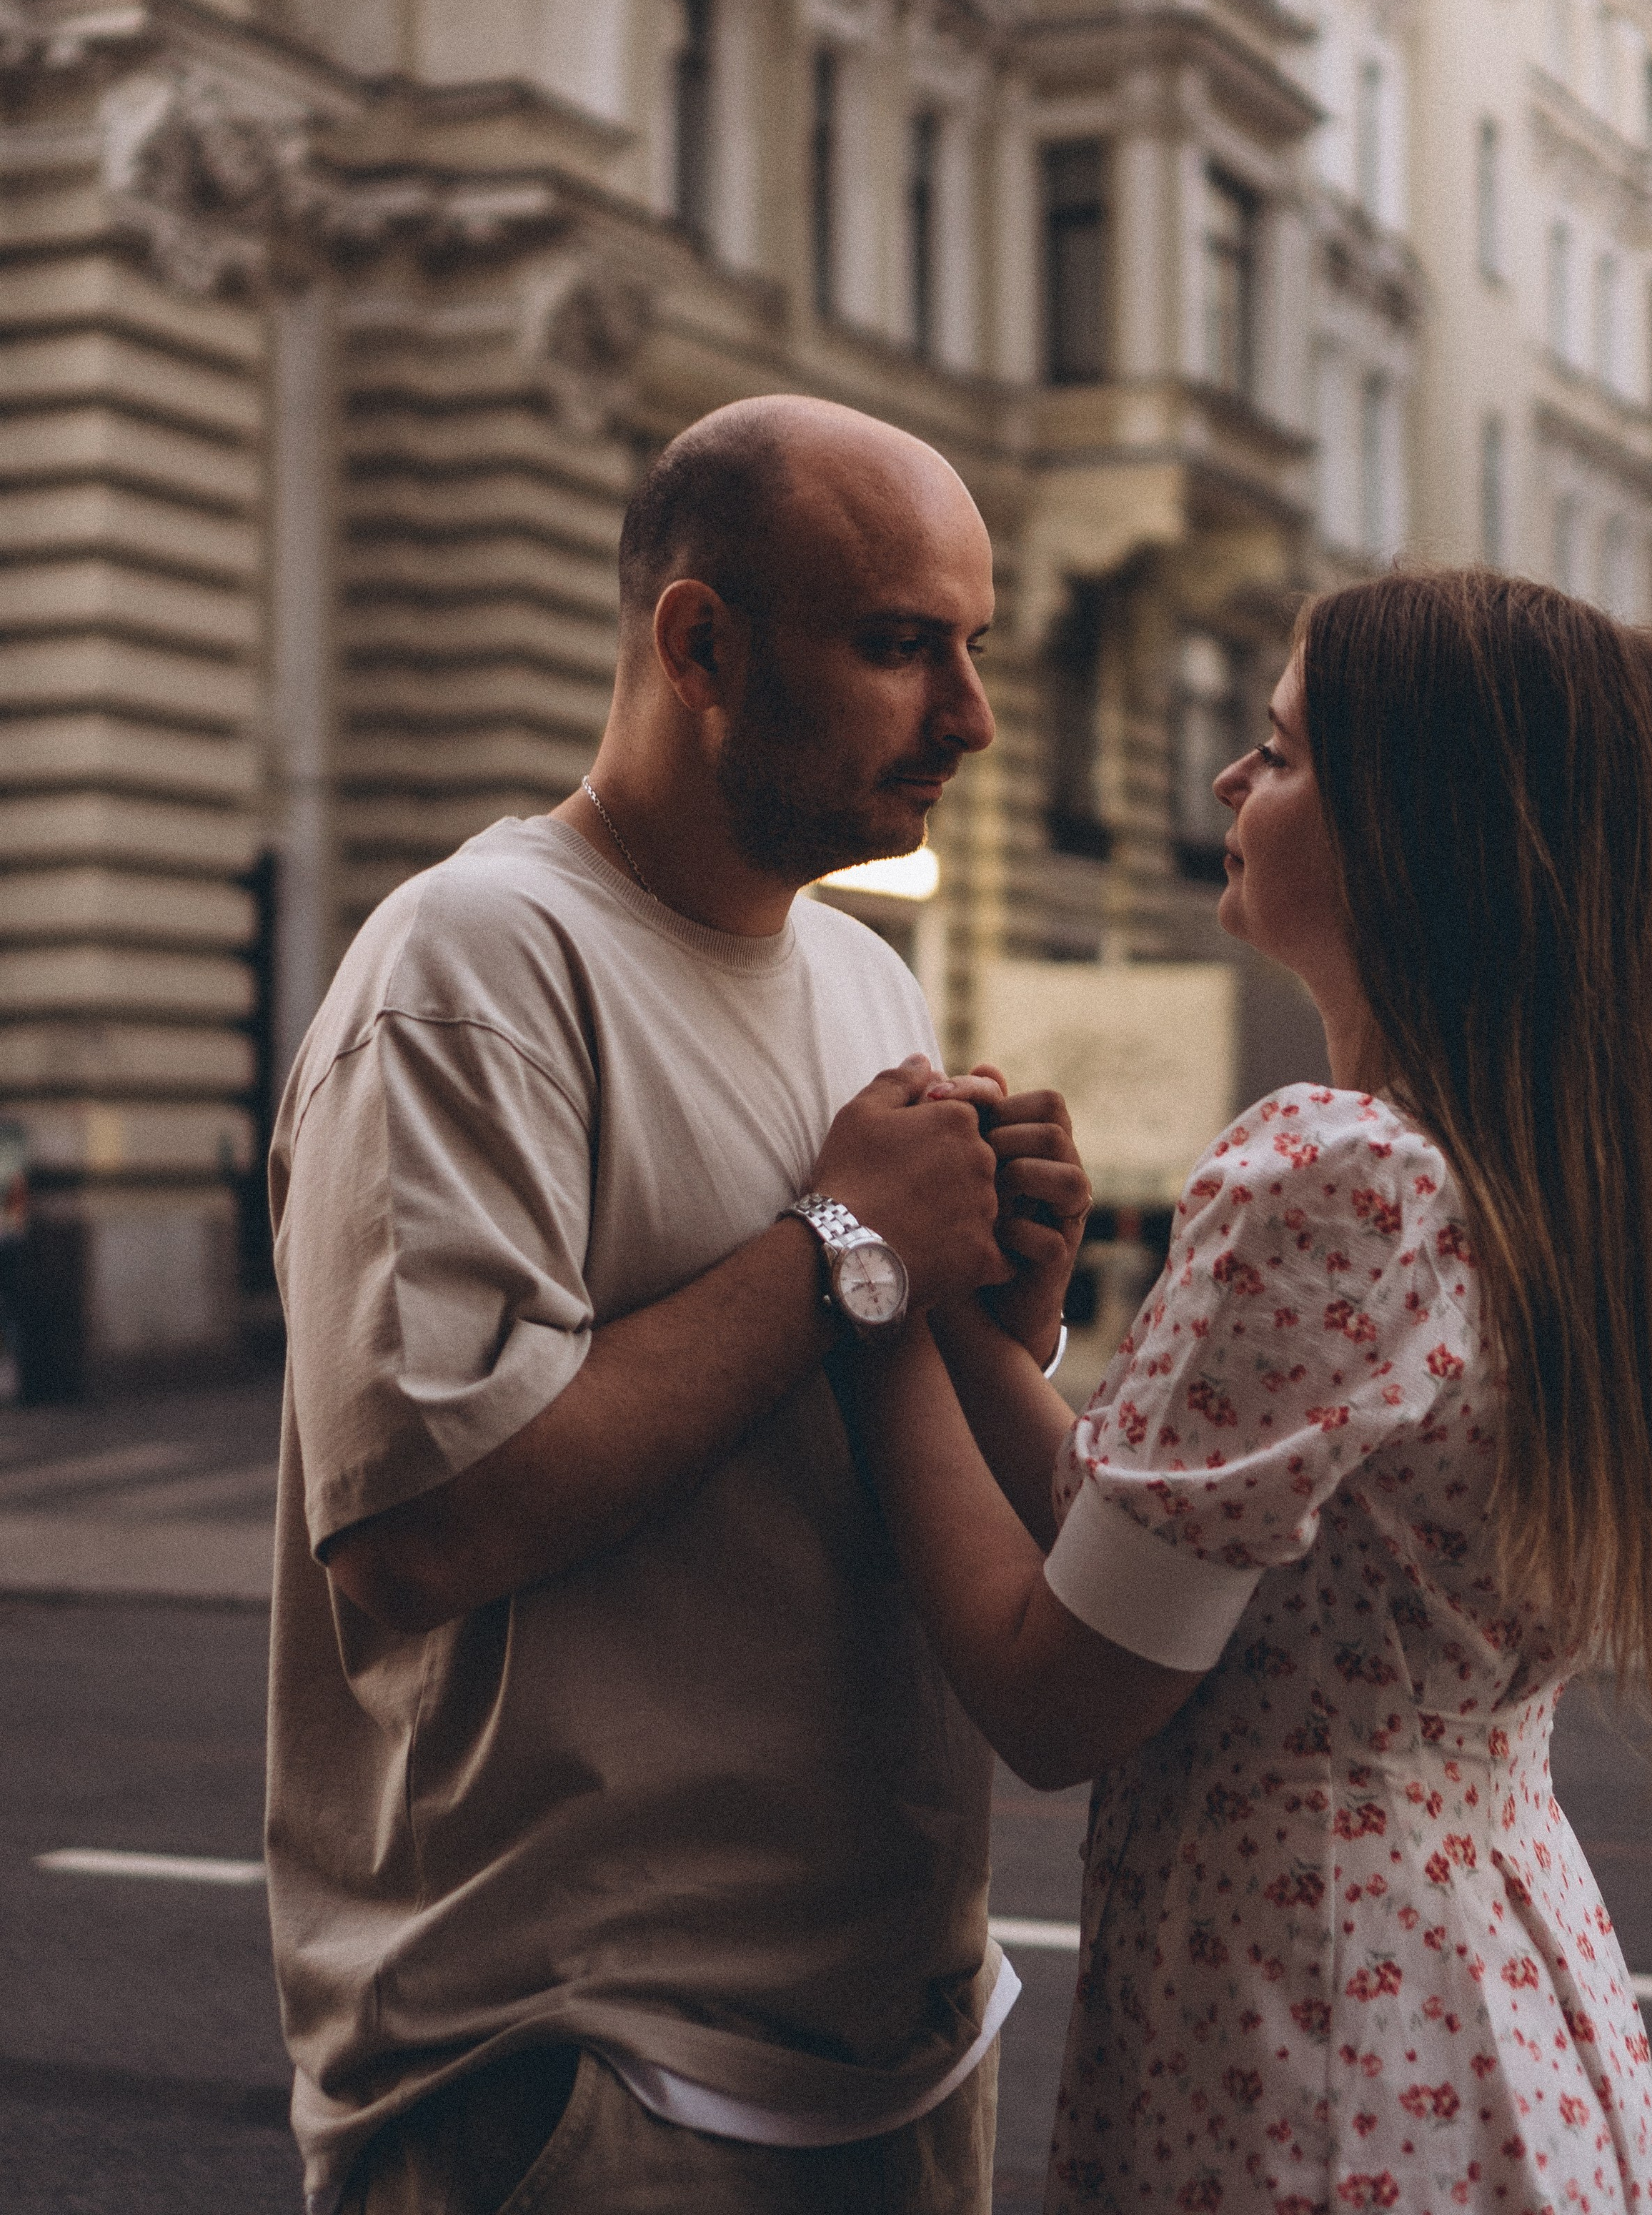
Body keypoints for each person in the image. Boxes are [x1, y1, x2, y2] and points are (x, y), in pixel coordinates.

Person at [264, 394, 1092, 2215]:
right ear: (698, 644)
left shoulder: (865, 985)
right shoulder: (477, 960)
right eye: (897, 646)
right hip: (584, 2081)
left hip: (899, 2044)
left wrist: (994, 1322)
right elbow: (411, 1532)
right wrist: (838, 1253)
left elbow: (845, 1418)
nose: (963, 714)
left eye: (971, 649)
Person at [860, 567, 1652, 2214]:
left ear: (1420, 827)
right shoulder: (1544, 1177)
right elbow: (1184, 1580)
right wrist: (987, 1342)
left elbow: (1060, 1696)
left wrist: (870, 1291)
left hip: (1312, 2030)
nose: (1225, 785)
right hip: (1497, 2015)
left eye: (1279, 750)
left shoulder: (1330, 1174)